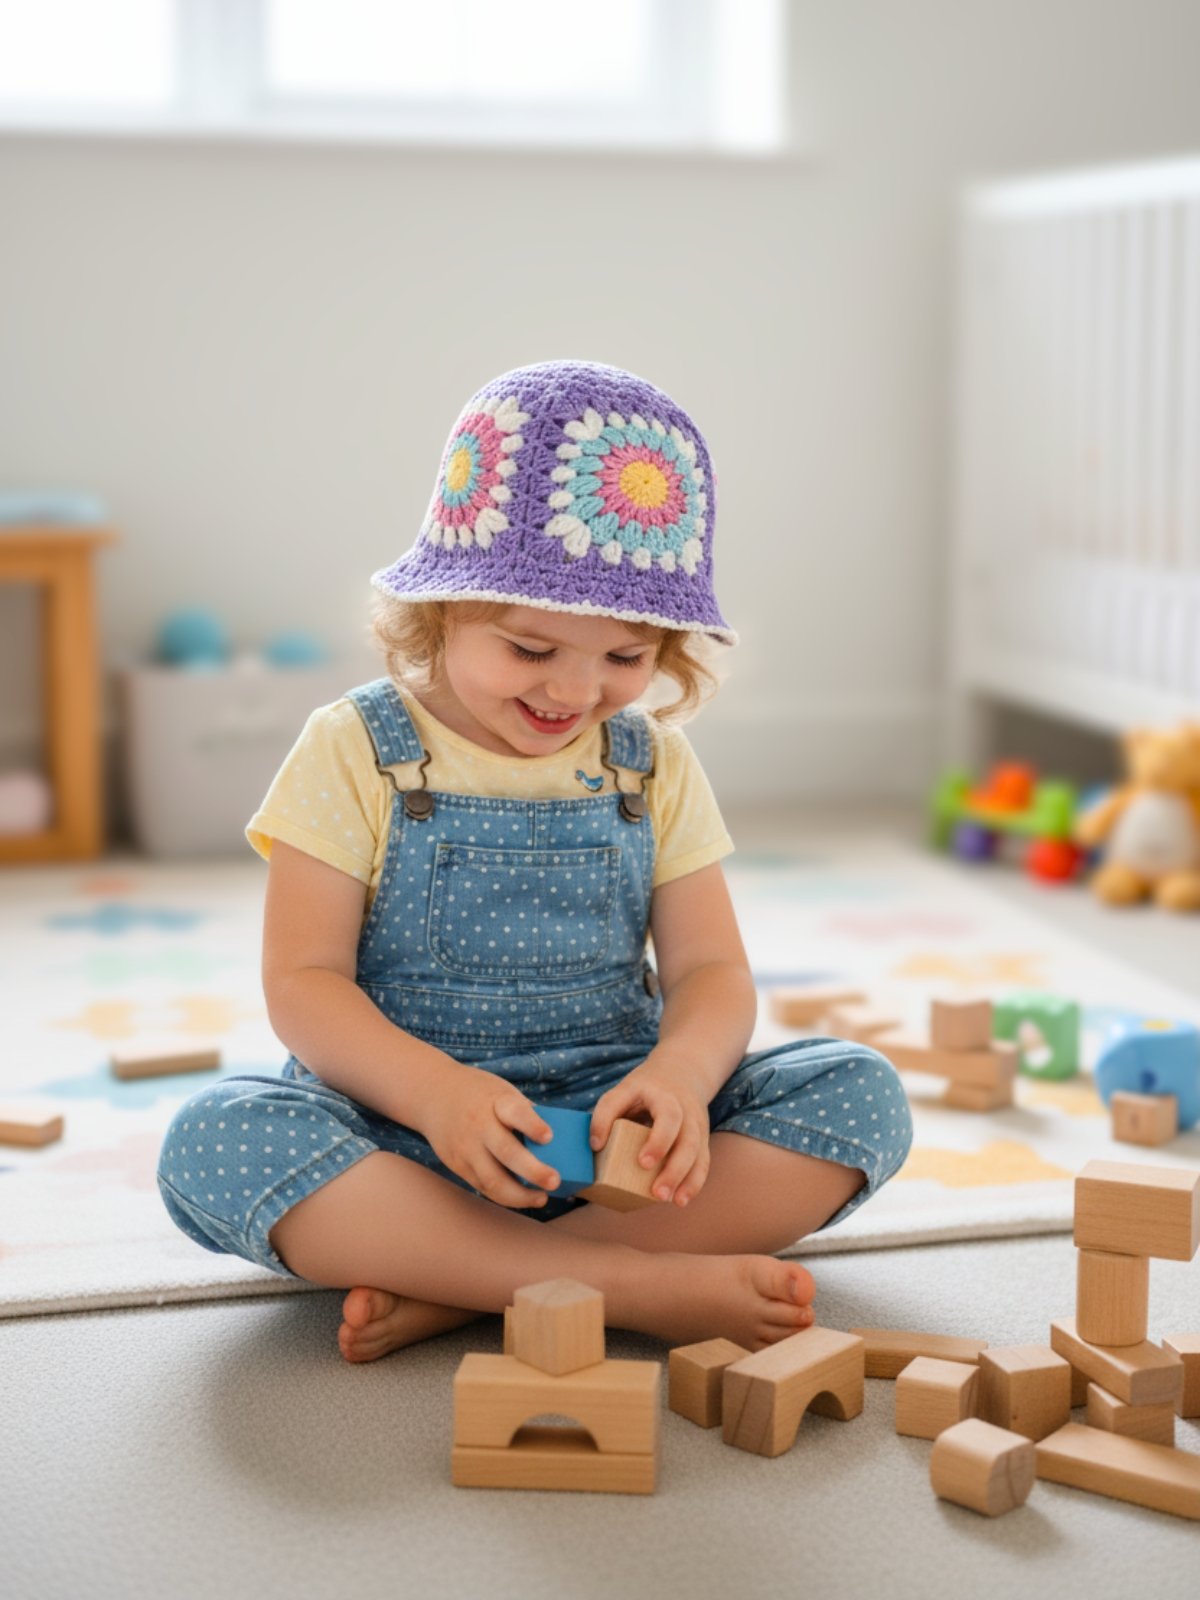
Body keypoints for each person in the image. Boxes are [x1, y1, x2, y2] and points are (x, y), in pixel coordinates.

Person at [158, 359, 912, 1362]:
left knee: (858, 1089)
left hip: (623, 1146)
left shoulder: (652, 762)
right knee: (214, 1138)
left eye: (625, 657)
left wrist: (681, 1082)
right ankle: (627, 1284)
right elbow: (303, 982)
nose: (575, 689)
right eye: (528, 648)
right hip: (406, 1133)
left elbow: (710, 972)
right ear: (440, 610)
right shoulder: (353, 746)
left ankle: (478, 1283)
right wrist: (437, 1097)